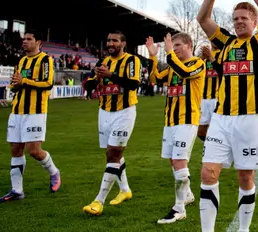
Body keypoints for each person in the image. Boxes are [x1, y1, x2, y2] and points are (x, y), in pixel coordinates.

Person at [196, 0, 258, 232]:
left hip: (250, 120)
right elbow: (203, 19)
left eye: (245, 19)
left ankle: (243, 229)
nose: (239, 22)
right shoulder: (226, 42)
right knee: (208, 174)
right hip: (221, 118)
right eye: (236, 18)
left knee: (245, 177)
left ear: (254, 23)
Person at [0, 30, 61, 203]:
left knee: (34, 151)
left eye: (28, 39)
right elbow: (15, 85)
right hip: (17, 111)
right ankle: (17, 190)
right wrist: (15, 85)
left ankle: (54, 172)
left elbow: (48, 83)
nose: (24, 42)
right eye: (23, 39)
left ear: (38, 42)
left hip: (36, 111)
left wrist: (25, 82)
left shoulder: (46, 59)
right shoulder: (22, 61)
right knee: (16, 150)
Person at [147, 32, 205, 224]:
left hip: (187, 120)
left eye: (179, 45)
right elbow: (155, 78)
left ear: (189, 45)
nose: (175, 48)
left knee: (180, 160)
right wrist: (153, 56)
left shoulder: (197, 64)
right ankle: (187, 195)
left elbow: (185, 73)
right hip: (170, 121)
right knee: (173, 160)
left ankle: (179, 209)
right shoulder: (173, 67)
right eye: (174, 46)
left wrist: (169, 53)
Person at [82, 31, 141, 215]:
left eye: (115, 40)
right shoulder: (101, 62)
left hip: (124, 112)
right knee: (113, 153)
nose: (111, 43)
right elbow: (89, 87)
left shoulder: (132, 60)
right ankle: (125, 190)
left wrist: (111, 75)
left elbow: (133, 84)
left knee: (113, 153)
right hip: (104, 112)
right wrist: (97, 79)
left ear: (123, 43)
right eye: (108, 40)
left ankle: (98, 201)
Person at [198, 43, 221, 142]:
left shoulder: (222, 53)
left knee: (217, 130)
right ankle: (211, 147)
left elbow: (223, 71)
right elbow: (195, 70)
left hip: (217, 98)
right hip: (203, 99)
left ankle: (217, 150)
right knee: (200, 132)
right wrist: (202, 58)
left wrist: (211, 57)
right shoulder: (204, 56)